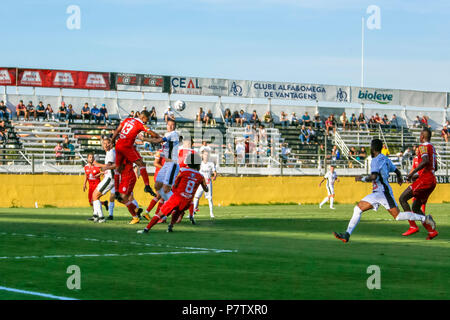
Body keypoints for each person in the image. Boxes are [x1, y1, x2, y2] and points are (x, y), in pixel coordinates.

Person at [333, 138, 436, 243]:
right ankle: (347, 234)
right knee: (358, 209)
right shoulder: (385, 159)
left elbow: (374, 176)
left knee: (398, 216)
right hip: (377, 193)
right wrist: (399, 177)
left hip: (384, 193)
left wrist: (362, 178)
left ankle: (425, 218)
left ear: (372, 149)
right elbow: (396, 170)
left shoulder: (375, 160)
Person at [137, 153, 208, 234]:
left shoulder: (183, 171)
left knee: (160, 213)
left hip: (177, 198)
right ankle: (170, 226)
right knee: (177, 212)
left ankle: (146, 229)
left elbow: (176, 184)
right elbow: (206, 189)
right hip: (187, 202)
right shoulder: (201, 176)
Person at [398, 128, 439, 240]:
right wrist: (414, 176)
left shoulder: (423, 146)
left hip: (425, 180)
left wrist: (412, 173)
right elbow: (435, 167)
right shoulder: (432, 148)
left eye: (420, 134)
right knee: (416, 207)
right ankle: (431, 231)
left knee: (402, 198)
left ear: (422, 136)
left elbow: (425, 161)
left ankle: (413, 226)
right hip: (430, 181)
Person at [111, 110, 160, 197]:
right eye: (147, 119)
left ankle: (116, 191)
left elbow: (117, 130)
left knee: (118, 168)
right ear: (143, 117)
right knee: (141, 163)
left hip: (118, 145)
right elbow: (151, 133)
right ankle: (147, 186)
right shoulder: (140, 124)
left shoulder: (128, 119)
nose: (147, 122)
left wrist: (112, 141)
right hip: (126, 146)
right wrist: (160, 137)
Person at [141, 118, 179, 203]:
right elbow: (163, 146)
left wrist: (145, 139)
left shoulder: (174, 134)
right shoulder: (167, 134)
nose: (171, 126)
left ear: (175, 127)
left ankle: (175, 205)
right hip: (166, 164)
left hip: (172, 164)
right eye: (169, 125)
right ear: (166, 126)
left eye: (173, 125)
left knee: (166, 188)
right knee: (157, 186)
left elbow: (159, 140)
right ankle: (171, 204)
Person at [87, 138, 117, 223]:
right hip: (108, 177)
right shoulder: (109, 152)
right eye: (104, 143)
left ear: (111, 144)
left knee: (95, 196)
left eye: (107, 143)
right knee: (95, 195)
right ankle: (96, 216)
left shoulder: (111, 153)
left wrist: (97, 164)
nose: (105, 145)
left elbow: (108, 166)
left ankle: (101, 217)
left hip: (109, 178)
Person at [193, 151, 217, 219]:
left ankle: (211, 213)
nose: (206, 156)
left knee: (210, 198)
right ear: (202, 156)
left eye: (207, 155)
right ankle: (192, 213)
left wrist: (214, 176)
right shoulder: (200, 164)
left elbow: (214, 172)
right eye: (204, 154)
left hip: (208, 182)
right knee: (196, 197)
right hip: (200, 182)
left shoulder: (211, 164)